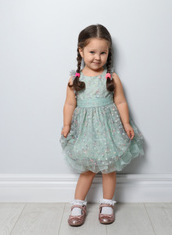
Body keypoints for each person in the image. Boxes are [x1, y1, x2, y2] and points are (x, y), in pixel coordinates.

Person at [60, 24, 144, 226]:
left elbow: (121, 102)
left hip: (108, 130)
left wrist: (126, 124)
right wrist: (66, 124)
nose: (97, 57)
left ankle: (107, 203)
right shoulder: (75, 80)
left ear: (108, 53)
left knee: (109, 169)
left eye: (102, 52)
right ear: (81, 51)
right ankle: (78, 203)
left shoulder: (112, 78)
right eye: (92, 52)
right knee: (87, 170)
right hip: (86, 133)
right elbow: (69, 104)